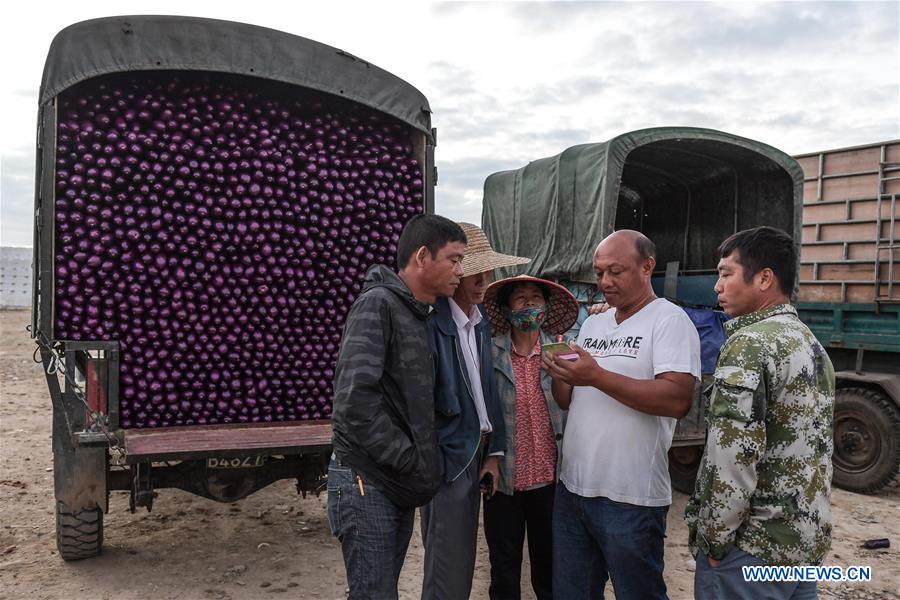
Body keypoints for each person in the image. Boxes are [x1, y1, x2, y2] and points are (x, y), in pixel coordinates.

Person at [542, 229, 701, 600]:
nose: (604, 282)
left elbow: (677, 399)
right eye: (599, 273)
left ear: (647, 267)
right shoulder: (594, 323)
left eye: (615, 271)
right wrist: (562, 373)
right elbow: (567, 401)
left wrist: (595, 375)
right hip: (573, 490)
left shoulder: (669, 320)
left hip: (631, 499)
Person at [686, 226, 835, 600]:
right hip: (802, 545)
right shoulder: (809, 342)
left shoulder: (750, 344)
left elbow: (732, 458)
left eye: (726, 274)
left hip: (752, 550)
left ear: (765, 278)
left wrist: (715, 540)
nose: (717, 287)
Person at [328, 214, 467, 600]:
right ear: (423, 256)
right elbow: (354, 404)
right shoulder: (378, 306)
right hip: (368, 481)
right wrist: (409, 458)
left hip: (394, 483)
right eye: (454, 259)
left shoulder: (415, 313)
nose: (461, 271)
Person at [421, 222, 530, 600]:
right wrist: (439, 456)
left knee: (463, 560)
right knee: (447, 565)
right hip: (450, 455)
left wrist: (494, 452)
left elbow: (487, 393)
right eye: (472, 271)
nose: (483, 280)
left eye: (488, 271)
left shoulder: (479, 323)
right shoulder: (433, 323)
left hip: (476, 450)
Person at [482, 275, 579, 600]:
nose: (529, 303)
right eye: (520, 298)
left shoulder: (562, 351)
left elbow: (573, 404)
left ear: (546, 306)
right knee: (504, 570)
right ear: (507, 309)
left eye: (535, 297)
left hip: (550, 481)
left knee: (549, 569)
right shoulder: (491, 352)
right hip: (504, 481)